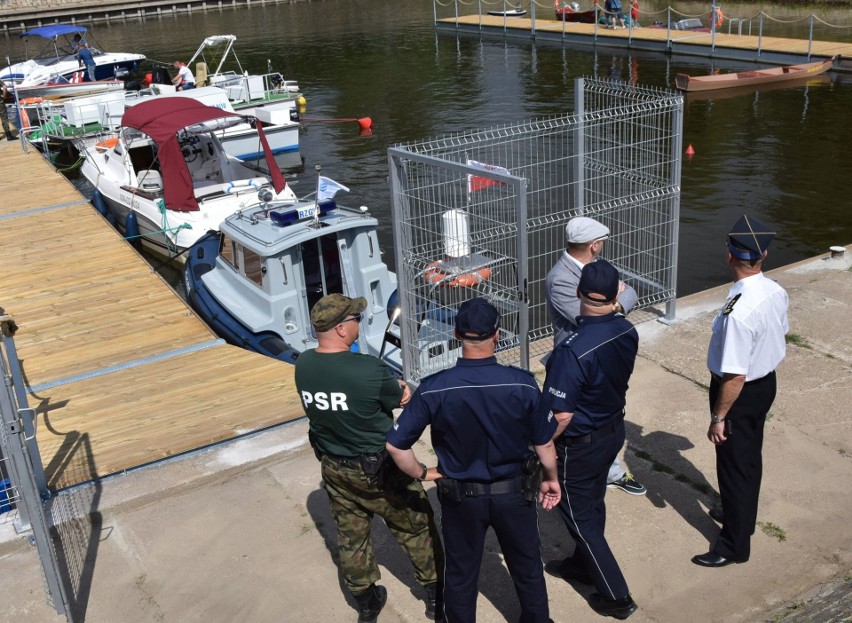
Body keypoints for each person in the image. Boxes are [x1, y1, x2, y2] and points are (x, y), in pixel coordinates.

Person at [387, 298, 561, 623]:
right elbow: (544, 443)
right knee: (526, 565)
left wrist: (425, 472)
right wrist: (550, 477)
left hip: (461, 496)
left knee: (461, 572)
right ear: (496, 335)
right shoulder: (522, 383)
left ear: (456, 335)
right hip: (513, 493)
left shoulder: (433, 388)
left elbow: (396, 446)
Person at [294, 293, 443, 623]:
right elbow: (402, 396)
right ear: (342, 329)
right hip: (380, 469)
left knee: (351, 536)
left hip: (334, 467)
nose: (359, 322)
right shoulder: (370, 369)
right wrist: (399, 388)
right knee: (416, 526)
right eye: (356, 319)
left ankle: (365, 600)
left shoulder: (303, 364)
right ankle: (435, 595)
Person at [540, 260, 639, 620]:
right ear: (616, 295)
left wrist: (541, 445)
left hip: (580, 444)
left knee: (579, 515)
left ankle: (617, 596)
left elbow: (560, 414)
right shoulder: (627, 331)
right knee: (593, 501)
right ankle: (583, 565)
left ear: (579, 293)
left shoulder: (572, 350)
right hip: (612, 431)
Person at [692, 215, 788, 568]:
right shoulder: (775, 289)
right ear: (762, 256)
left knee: (733, 466)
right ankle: (740, 514)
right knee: (749, 459)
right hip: (765, 385)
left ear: (730, 256)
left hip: (739, 393)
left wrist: (719, 417)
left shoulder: (738, 312)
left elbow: (734, 375)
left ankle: (734, 545)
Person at [545, 216, 646, 497]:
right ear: (594, 245)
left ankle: (608, 471)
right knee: (569, 419)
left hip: (599, 349)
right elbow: (585, 317)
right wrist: (616, 302)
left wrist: (611, 305)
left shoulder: (596, 269)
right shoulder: (560, 279)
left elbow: (630, 292)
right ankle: (555, 470)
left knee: (600, 414)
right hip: (575, 359)